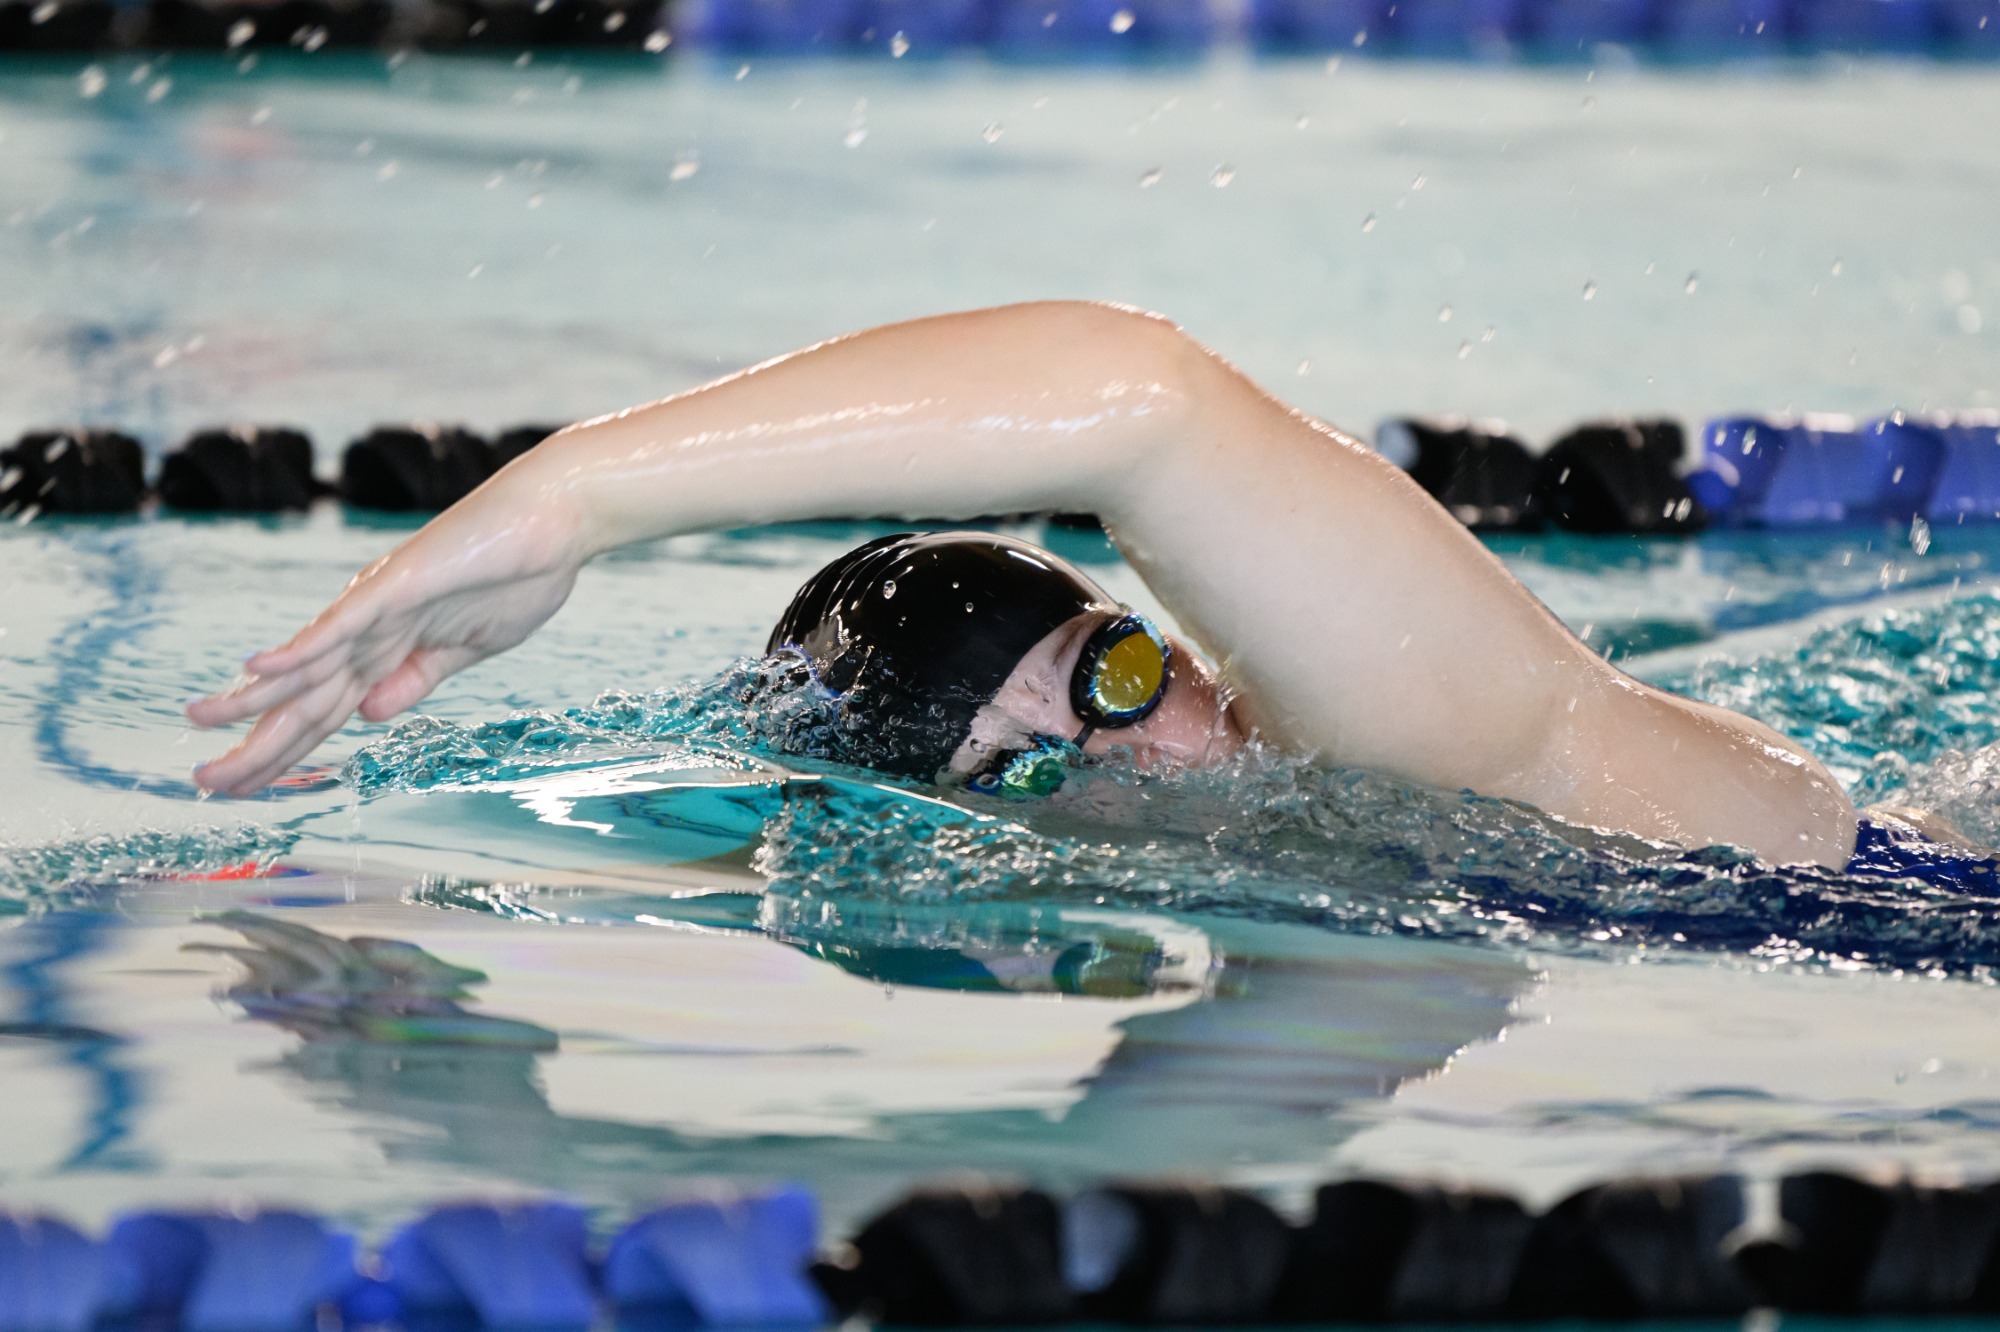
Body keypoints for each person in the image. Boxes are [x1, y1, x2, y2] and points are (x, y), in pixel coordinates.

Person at [187, 300, 1860, 869]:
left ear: (1174, 639)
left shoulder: (1440, 731)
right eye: (1020, 775)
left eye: (1113, 682)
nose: (1121, 761)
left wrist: (575, 495)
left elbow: (1139, 397)